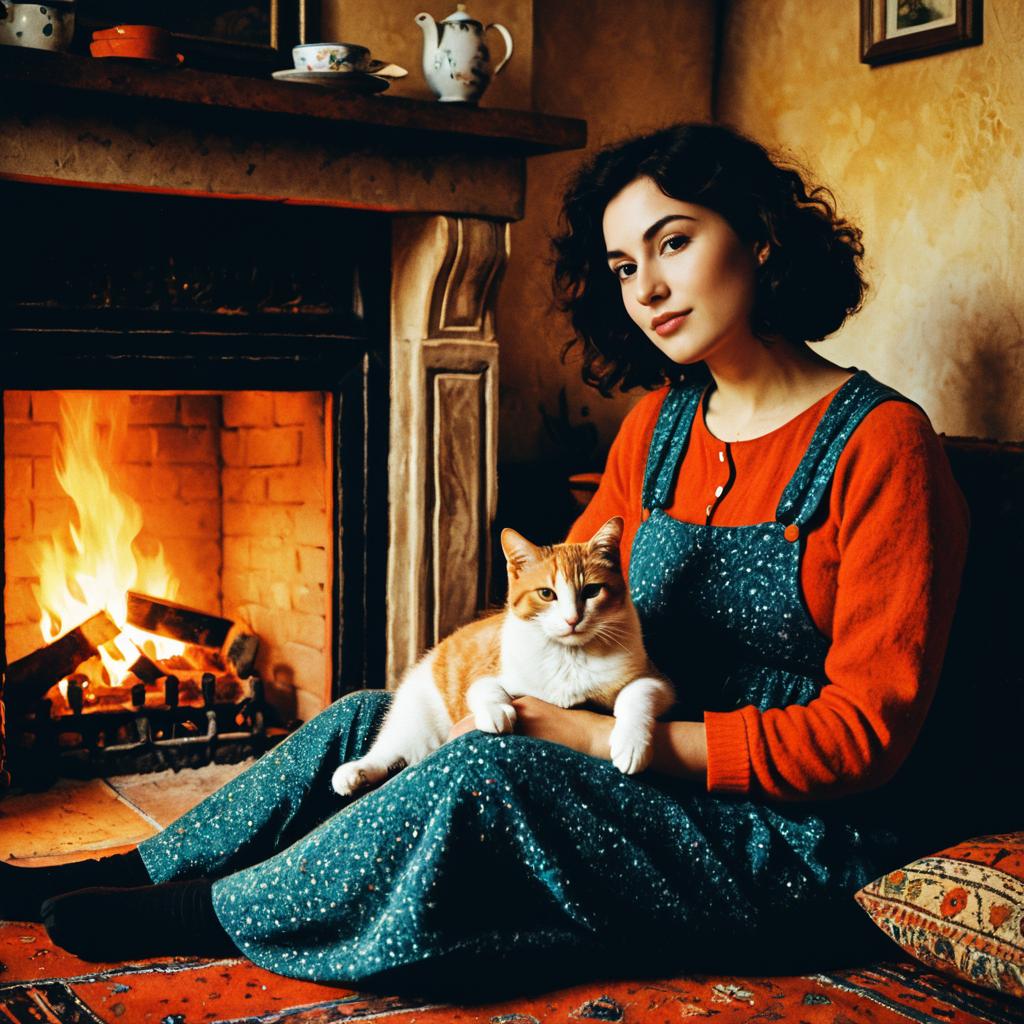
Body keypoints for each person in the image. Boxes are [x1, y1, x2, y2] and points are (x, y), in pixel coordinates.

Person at [1, 122, 968, 990]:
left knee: (489, 773)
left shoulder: (882, 446)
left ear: (758, 236)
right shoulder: (659, 427)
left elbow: (867, 738)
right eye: (625, 266)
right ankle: (132, 868)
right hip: (633, 761)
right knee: (366, 721)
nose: (651, 289)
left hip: (787, 843)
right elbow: (570, 602)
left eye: (674, 242)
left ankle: (200, 916)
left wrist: (587, 738)